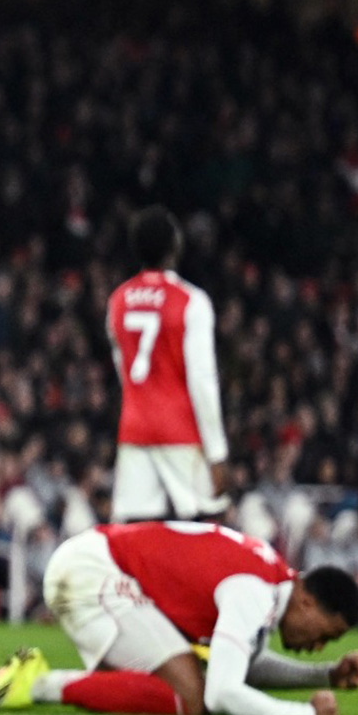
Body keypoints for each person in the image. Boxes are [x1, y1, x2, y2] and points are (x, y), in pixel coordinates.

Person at [0, 521, 358, 715]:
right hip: (94, 572)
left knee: (183, 687)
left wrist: (325, 675)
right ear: (309, 603)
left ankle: (44, 682)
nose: (316, 647)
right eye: (323, 638)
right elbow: (222, 693)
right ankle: (39, 683)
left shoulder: (268, 580)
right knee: (191, 696)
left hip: (93, 562)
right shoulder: (254, 590)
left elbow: (239, 663)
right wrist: (306, 714)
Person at [105, 207, 228, 521]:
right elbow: (202, 379)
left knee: (135, 535)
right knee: (204, 527)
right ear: (175, 247)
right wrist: (217, 452)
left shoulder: (118, 300)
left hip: (135, 429)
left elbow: (124, 371)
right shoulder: (191, 300)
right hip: (180, 431)